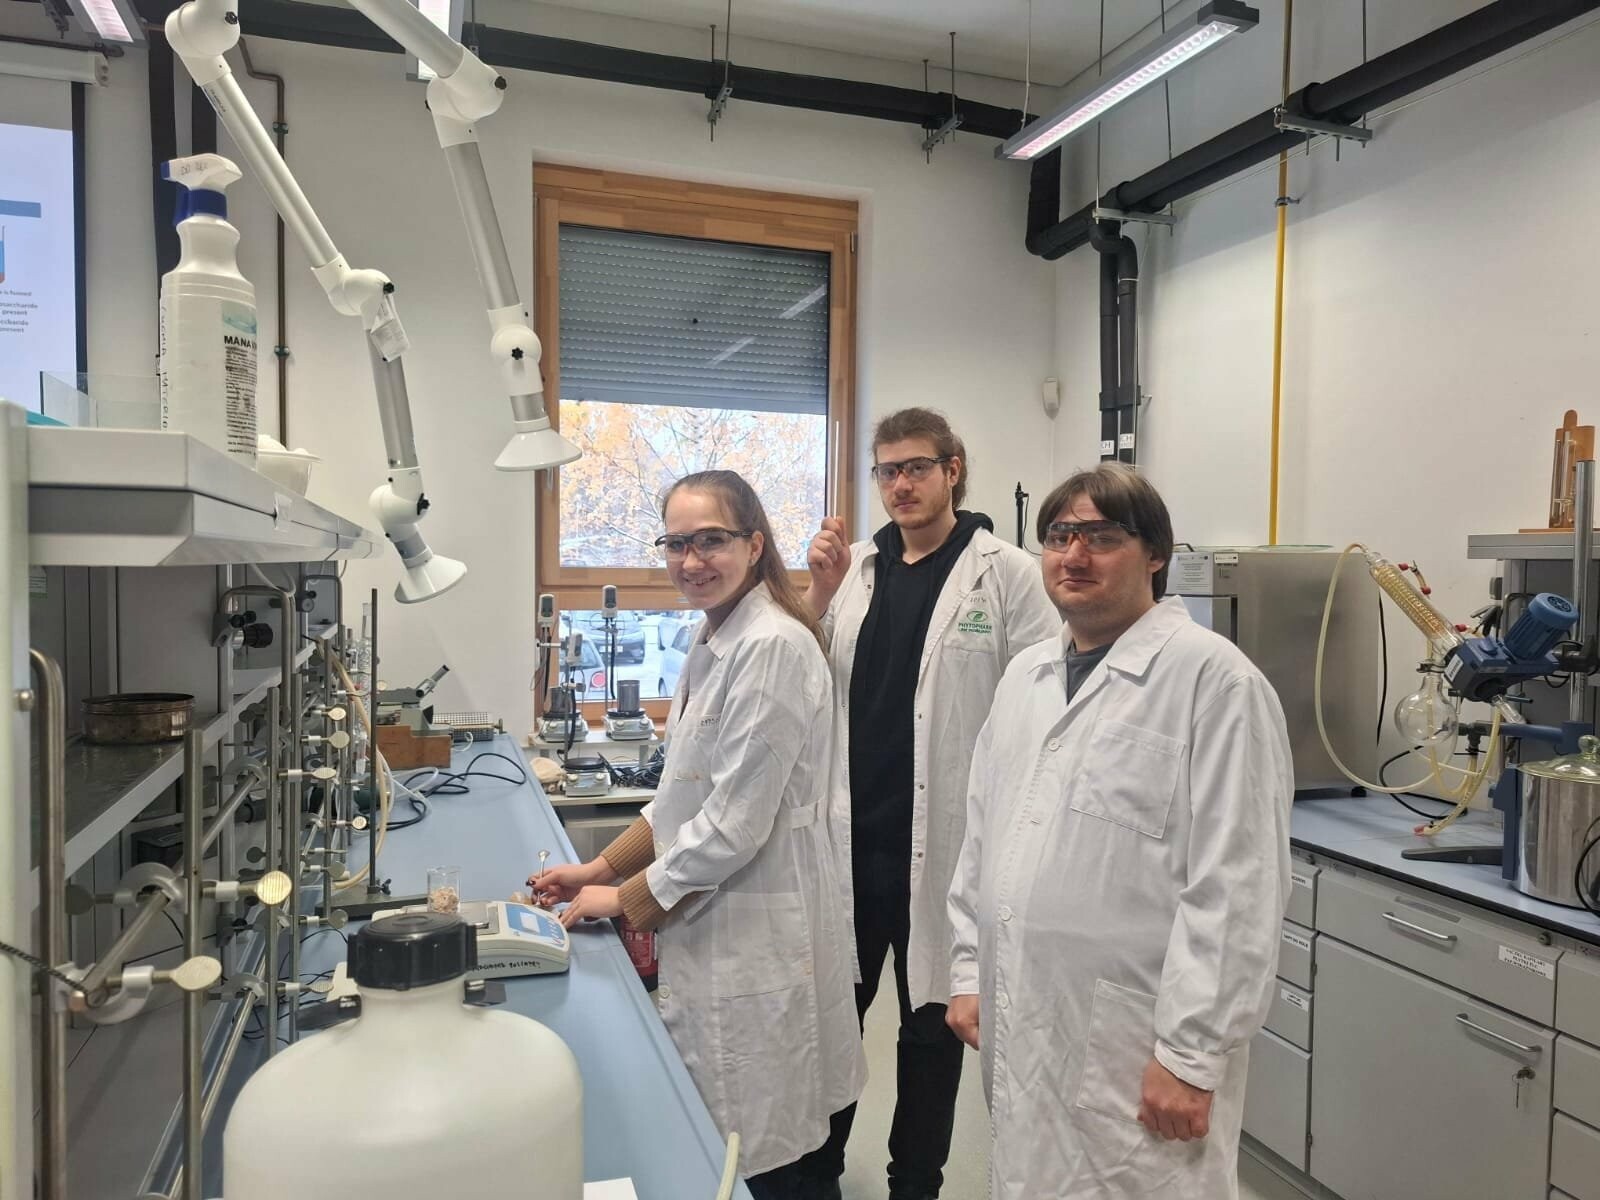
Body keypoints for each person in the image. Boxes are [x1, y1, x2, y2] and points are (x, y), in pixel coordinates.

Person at [946, 463, 1294, 1200]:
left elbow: (1238, 887)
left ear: (1155, 554)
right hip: (1025, 1011)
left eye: (1102, 537)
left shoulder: (1216, 683)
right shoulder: (1026, 675)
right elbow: (983, 835)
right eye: (1058, 536)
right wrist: (971, 970)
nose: (1074, 555)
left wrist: (1191, 1055)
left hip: (1136, 1042)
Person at [532, 470, 865, 1200]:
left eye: (710, 540)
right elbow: (684, 794)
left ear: (755, 544)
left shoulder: (772, 645)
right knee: (736, 1135)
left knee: (769, 1150)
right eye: (676, 543)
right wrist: (598, 869)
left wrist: (626, 899)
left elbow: (734, 824)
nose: (691, 560)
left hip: (760, 925)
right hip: (720, 917)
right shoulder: (712, 635)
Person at [802, 408, 1060, 1200]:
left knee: (930, 1039)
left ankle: (914, 1186)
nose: (901, 484)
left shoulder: (1007, 573)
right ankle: (814, 1175)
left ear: (954, 470)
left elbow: (1044, 705)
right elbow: (804, 678)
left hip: (947, 854)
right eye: (888, 470)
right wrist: (816, 594)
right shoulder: (854, 569)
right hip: (852, 851)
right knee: (832, 1024)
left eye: (917, 467)